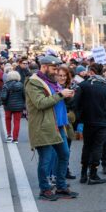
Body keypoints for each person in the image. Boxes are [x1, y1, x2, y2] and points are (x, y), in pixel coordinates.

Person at [25, 56, 78, 201]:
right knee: (46, 159)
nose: (56, 72)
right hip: (44, 127)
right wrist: (61, 94)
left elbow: (58, 99)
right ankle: (45, 189)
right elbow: (40, 103)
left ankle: (60, 186)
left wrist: (68, 95)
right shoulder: (34, 82)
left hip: (58, 124)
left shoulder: (52, 81)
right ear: (44, 67)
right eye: (54, 69)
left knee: (64, 154)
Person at [74, 63, 106, 185]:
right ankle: (93, 174)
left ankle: (83, 174)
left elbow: (76, 103)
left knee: (87, 146)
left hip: (88, 121)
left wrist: (78, 119)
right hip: (102, 122)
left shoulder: (83, 85)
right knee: (97, 147)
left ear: (91, 72)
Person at [0, 71, 25, 143]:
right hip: (18, 106)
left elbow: (3, 97)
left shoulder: (6, 85)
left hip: (8, 106)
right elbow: (24, 96)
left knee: (8, 120)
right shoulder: (21, 85)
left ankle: (9, 135)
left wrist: (4, 103)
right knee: (17, 121)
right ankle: (15, 138)